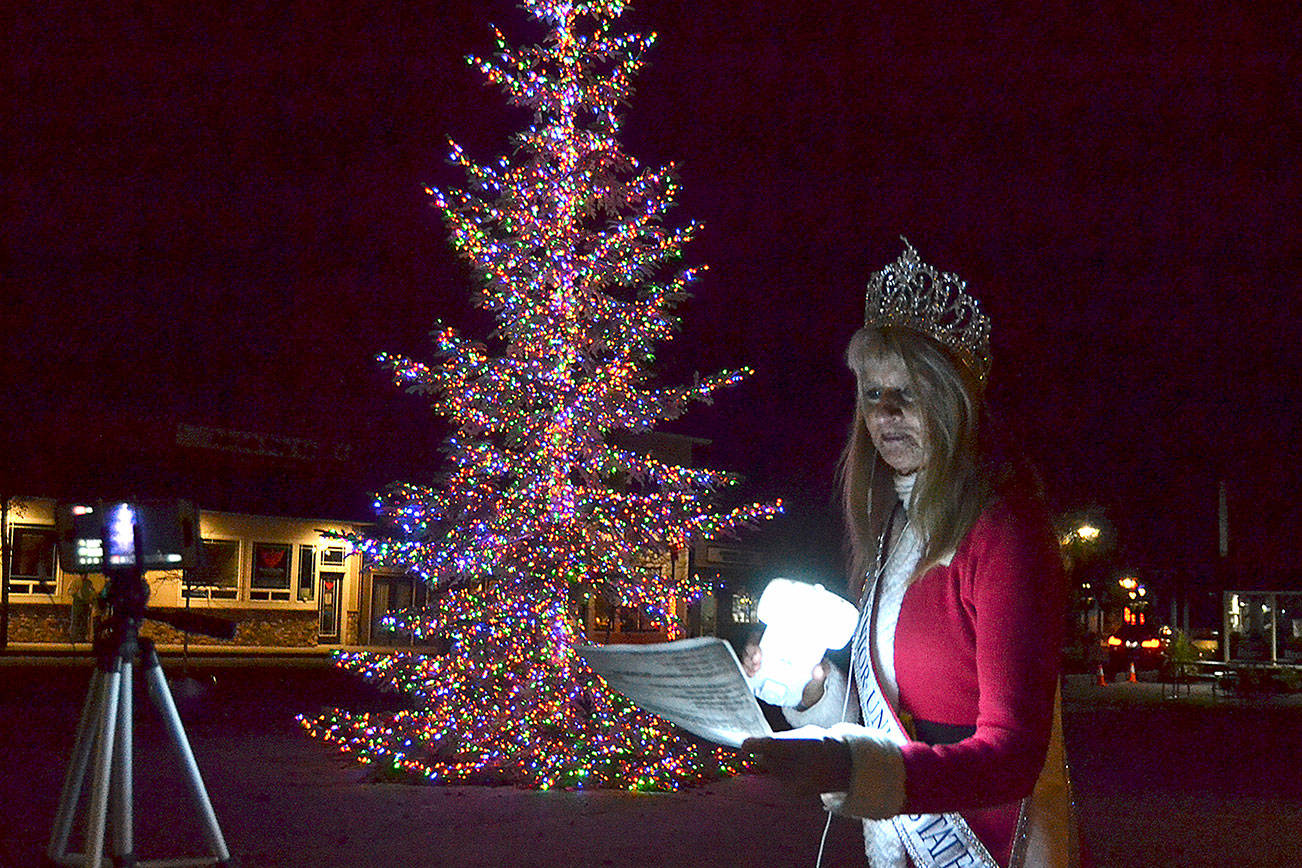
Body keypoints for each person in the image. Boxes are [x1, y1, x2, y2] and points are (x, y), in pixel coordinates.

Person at [742, 240, 1080, 868]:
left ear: (956, 399)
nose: (888, 413)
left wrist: (850, 767)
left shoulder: (1003, 529)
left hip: (992, 846)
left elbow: (1012, 757)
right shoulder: (892, 530)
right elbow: (885, 720)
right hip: (896, 846)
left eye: (911, 391)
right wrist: (814, 692)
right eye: (873, 394)